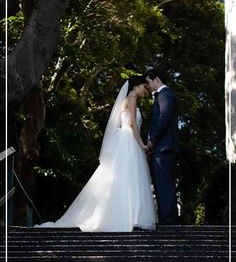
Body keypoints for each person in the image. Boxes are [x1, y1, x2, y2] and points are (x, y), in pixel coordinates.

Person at [34, 75, 157, 232]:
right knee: (129, 176)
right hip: (129, 139)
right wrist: (143, 145)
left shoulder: (127, 99)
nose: (144, 89)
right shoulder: (132, 98)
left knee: (122, 177)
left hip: (125, 140)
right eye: (142, 86)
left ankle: (127, 215)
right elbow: (132, 124)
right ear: (134, 87)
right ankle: (130, 215)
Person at [145, 68, 179, 225]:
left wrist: (153, 141)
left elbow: (163, 117)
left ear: (156, 79)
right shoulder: (162, 96)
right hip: (162, 147)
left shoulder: (165, 94)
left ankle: (169, 221)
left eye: (148, 82)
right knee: (161, 183)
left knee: (164, 183)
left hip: (164, 147)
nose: (147, 85)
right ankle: (166, 219)